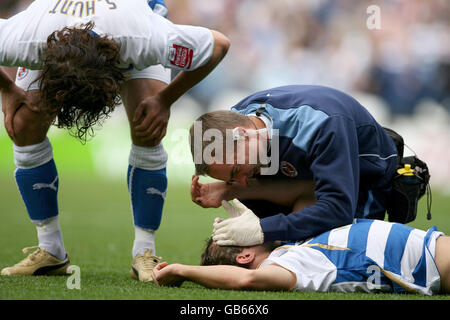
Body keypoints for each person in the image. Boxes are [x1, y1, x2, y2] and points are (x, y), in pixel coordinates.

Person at [0, 0, 230, 281]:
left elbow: (219, 45)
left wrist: (165, 99)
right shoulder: (24, 38)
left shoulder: (146, 38)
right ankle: (51, 249)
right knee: (23, 123)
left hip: (131, 20)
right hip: (51, 37)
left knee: (147, 123)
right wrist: (8, 89)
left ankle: (145, 252)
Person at [189, 85, 400, 246]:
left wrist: (263, 229)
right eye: (232, 178)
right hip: (310, 178)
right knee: (258, 256)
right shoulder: (245, 124)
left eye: (235, 170)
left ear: (242, 134)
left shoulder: (322, 124)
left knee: (331, 259)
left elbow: (337, 208)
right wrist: (232, 189)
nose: (244, 180)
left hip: (365, 182)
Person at [152, 200, 450, 295]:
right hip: (431, 261)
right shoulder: (289, 264)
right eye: (235, 235)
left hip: (431, 246)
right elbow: (247, 279)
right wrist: (181, 270)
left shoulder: (293, 244)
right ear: (244, 255)